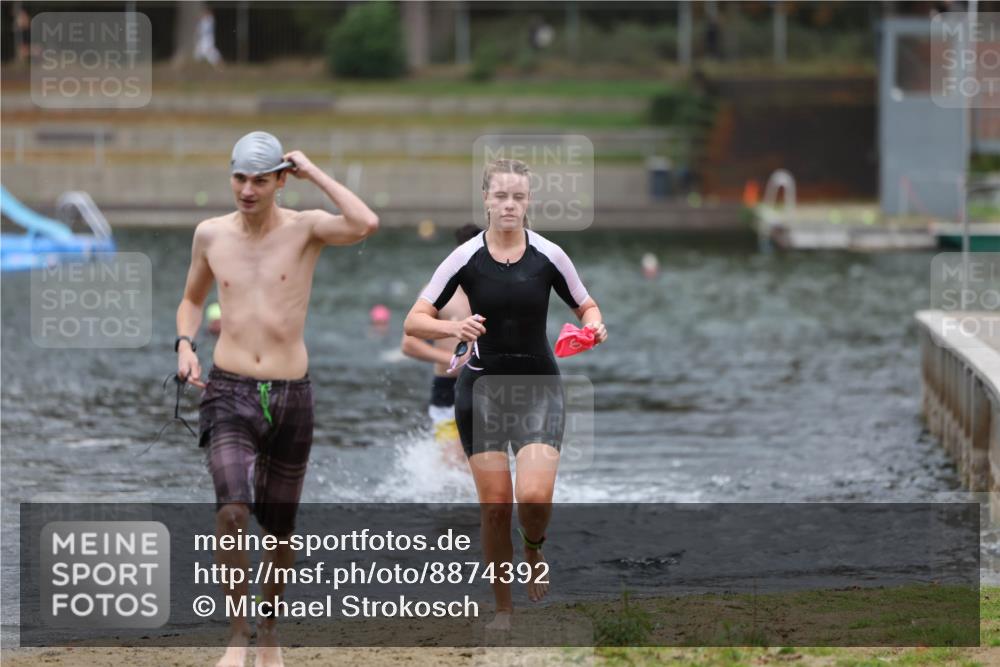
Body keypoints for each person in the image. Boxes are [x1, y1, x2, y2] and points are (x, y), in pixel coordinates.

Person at [175, 131, 378, 667]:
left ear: (280, 181)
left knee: (279, 529)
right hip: (228, 389)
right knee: (232, 511)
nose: (246, 189)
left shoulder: (307, 227)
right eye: (239, 177)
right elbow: (191, 301)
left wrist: (314, 172)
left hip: (292, 394)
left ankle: (269, 631)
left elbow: (365, 223)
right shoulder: (211, 235)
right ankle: (237, 636)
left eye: (259, 179)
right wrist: (184, 346)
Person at [403, 158, 607, 630]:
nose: (509, 204)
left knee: (533, 497)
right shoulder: (463, 258)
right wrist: (453, 325)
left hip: (538, 386)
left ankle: (533, 549)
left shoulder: (551, 255)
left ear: (529, 201)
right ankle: (503, 609)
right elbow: (414, 320)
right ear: (487, 200)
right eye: (501, 196)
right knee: (495, 507)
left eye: (518, 196)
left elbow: (587, 304)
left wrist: (593, 326)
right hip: (482, 390)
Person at [400, 224, 480, 467]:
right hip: (448, 387)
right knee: (453, 465)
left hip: (486, 387)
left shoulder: (497, 290)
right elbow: (409, 345)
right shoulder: (438, 290)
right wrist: (454, 360)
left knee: (482, 467)